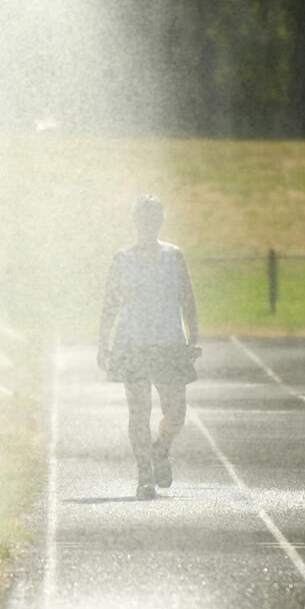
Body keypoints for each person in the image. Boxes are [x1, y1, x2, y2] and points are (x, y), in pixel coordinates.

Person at [97, 195, 201, 499]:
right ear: (135, 221)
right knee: (138, 412)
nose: (148, 224)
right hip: (133, 343)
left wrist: (194, 336)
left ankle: (161, 449)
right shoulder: (122, 259)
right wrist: (103, 344)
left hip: (169, 342)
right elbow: (109, 305)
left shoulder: (173, 256)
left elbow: (188, 299)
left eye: (154, 218)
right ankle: (144, 475)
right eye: (143, 218)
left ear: (160, 221)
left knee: (176, 412)